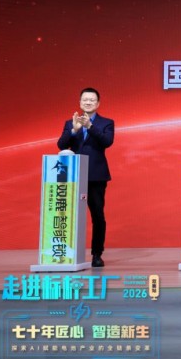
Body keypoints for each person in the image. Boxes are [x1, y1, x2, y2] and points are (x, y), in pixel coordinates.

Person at [57, 88, 115, 268]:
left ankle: (97, 254)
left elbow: (107, 142)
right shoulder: (70, 123)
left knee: (97, 215)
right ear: (80, 102)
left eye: (92, 100)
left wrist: (90, 126)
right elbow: (61, 145)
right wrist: (74, 130)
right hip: (72, 176)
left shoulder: (106, 123)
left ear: (98, 103)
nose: (88, 102)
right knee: (69, 214)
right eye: (85, 99)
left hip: (96, 176)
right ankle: (67, 252)